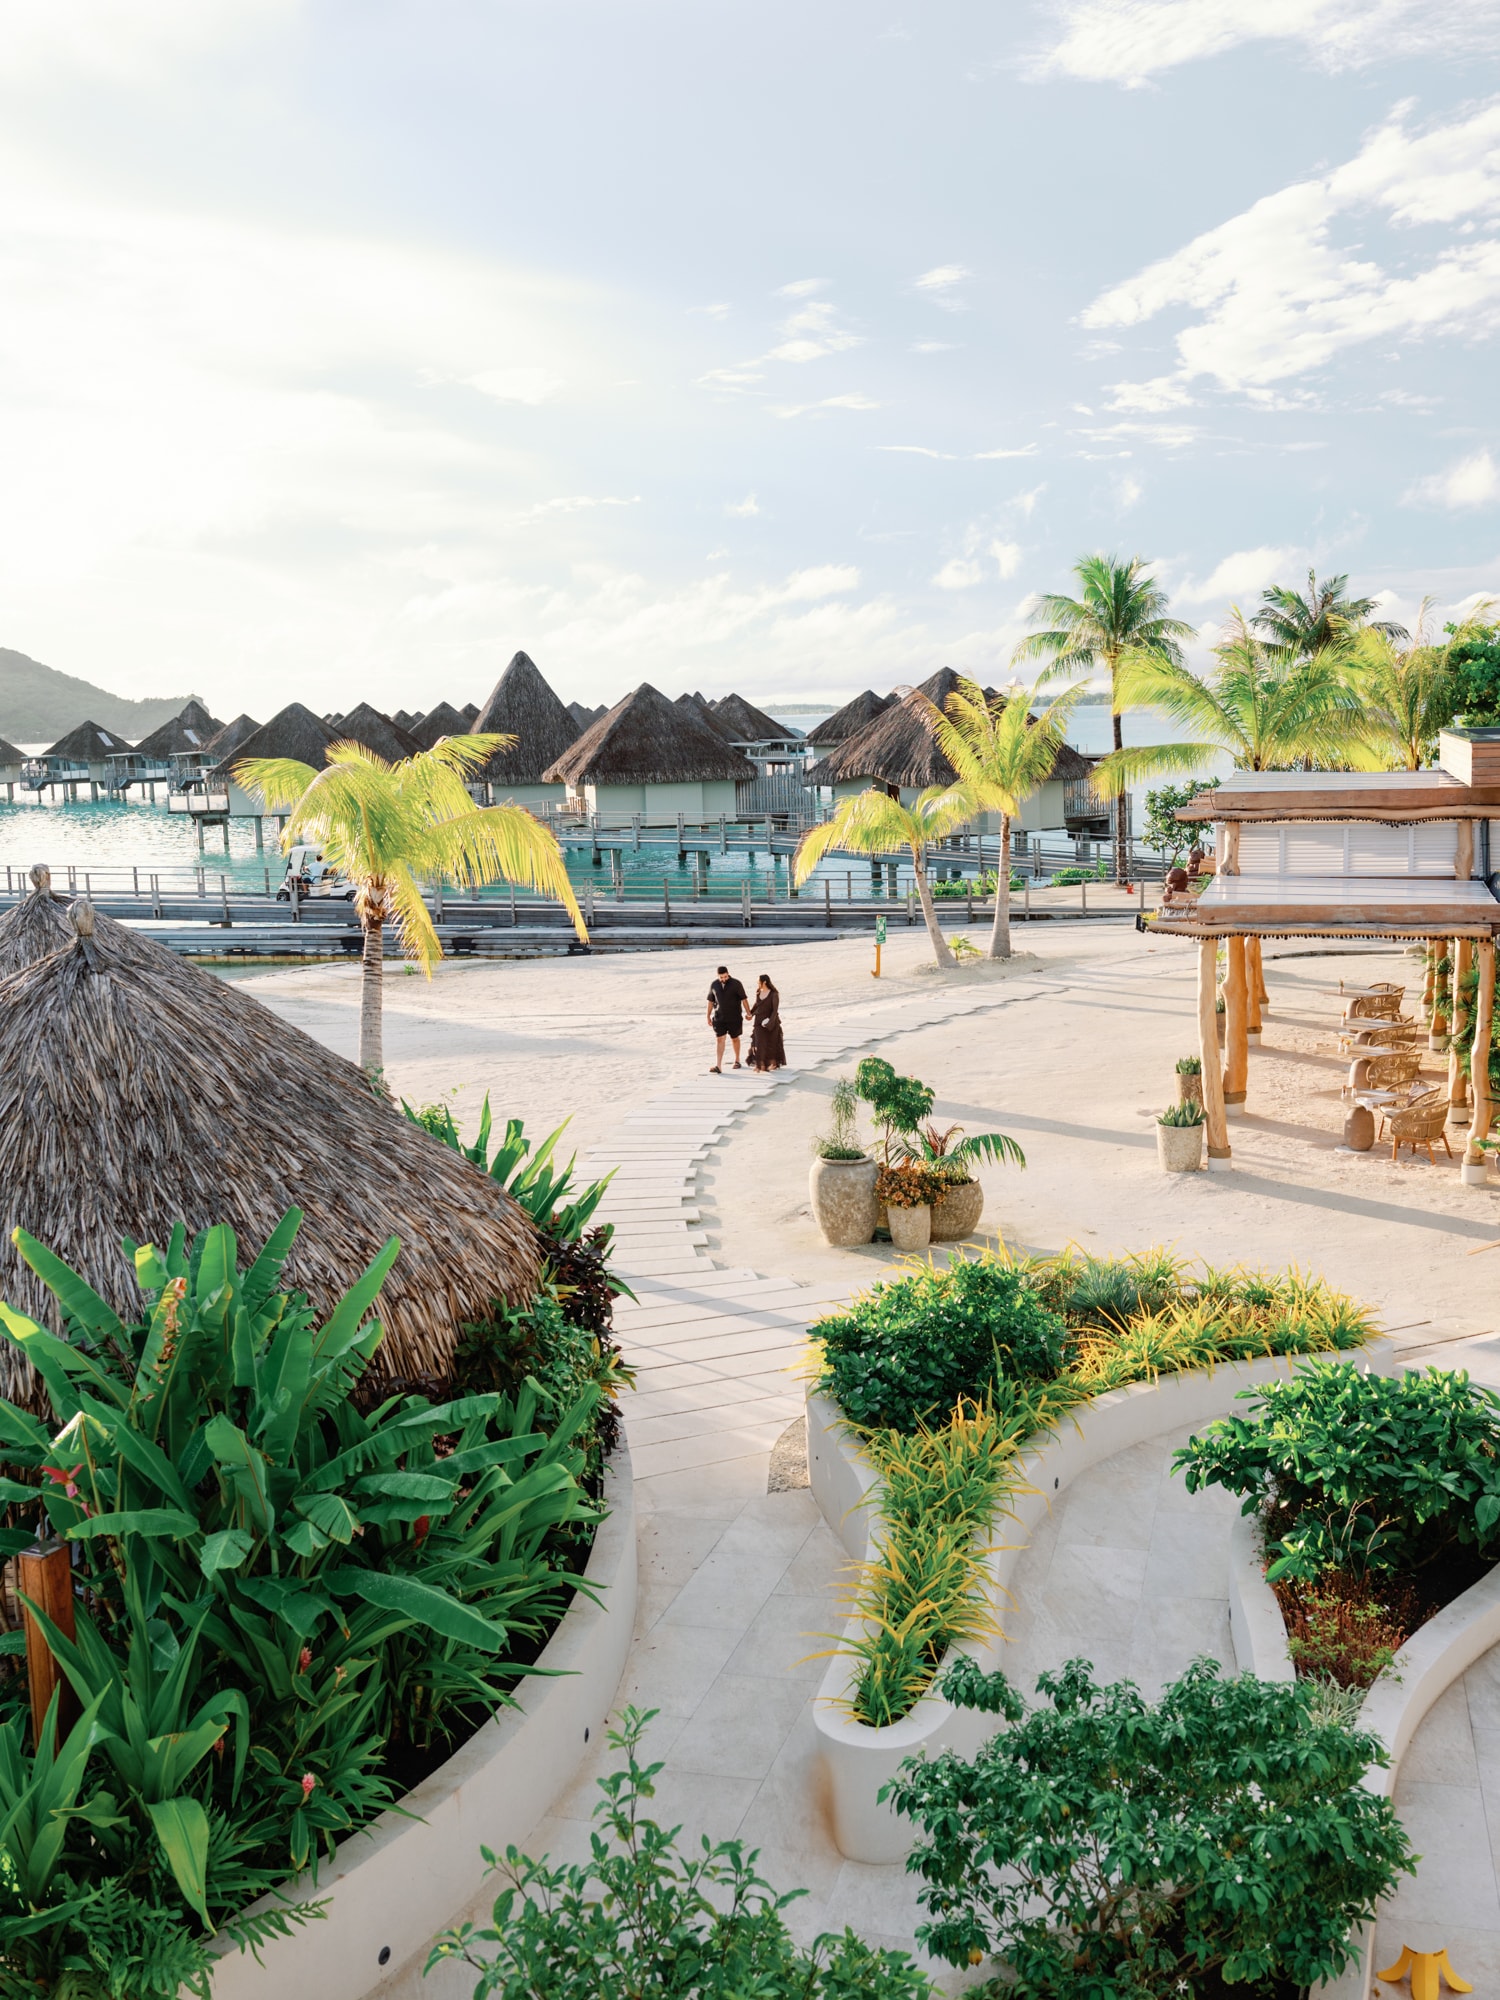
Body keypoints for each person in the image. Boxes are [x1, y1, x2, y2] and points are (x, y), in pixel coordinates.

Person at [706, 963, 748, 1072]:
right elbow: (710, 1001)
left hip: (734, 1017)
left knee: (735, 1038)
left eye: (725, 976)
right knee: (720, 1039)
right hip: (719, 1017)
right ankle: (718, 1065)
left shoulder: (736, 984)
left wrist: (748, 1013)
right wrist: (708, 1016)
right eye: (721, 977)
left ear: (728, 974)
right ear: (718, 976)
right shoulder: (714, 985)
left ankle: (737, 1060)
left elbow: (744, 999)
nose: (724, 979)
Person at [747, 973, 786, 1072]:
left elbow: (774, 1010)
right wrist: (750, 1014)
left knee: (771, 1044)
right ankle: (760, 1065)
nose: (757, 983)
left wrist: (769, 1023)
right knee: (758, 1042)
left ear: (764, 982)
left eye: (758, 981)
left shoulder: (774, 994)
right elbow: (756, 1005)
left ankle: (771, 1064)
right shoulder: (758, 992)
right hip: (759, 1021)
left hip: (771, 1022)